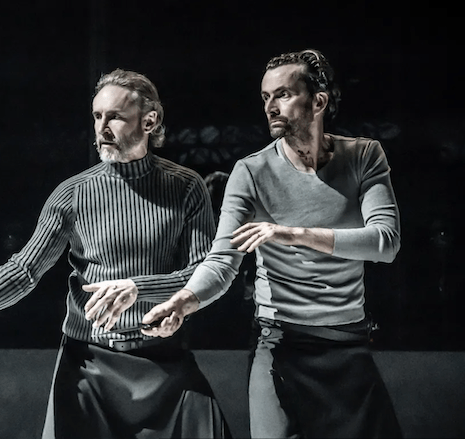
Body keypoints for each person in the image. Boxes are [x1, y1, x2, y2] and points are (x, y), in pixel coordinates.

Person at [0, 69, 231, 439]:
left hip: (165, 361)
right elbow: (25, 269)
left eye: (115, 116)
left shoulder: (186, 187)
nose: (102, 127)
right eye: (97, 116)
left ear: (150, 121)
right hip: (87, 366)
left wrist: (137, 288)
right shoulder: (73, 194)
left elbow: (202, 272)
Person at [142, 49, 403, 438]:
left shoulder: (363, 155)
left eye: (283, 94)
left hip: (347, 343)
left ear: (318, 101)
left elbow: (385, 242)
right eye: (265, 97)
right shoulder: (251, 171)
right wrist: (181, 302)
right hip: (279, 343)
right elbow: (221, 261)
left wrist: (289, 232)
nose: (270, 106)